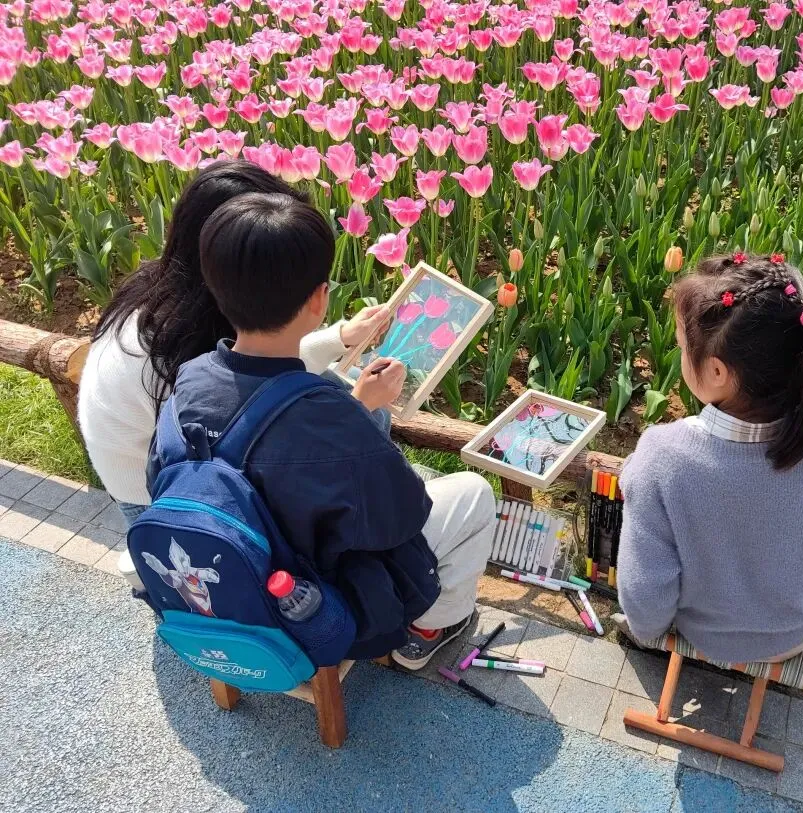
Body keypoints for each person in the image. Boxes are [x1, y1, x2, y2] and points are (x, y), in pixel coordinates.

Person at [147, 191, 494, 668]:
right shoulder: (328, 416)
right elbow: (402, 515)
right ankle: (430, 628)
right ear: (318, 298)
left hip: (235, 576)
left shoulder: (192, 377)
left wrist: (353, 410)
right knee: (474, 493)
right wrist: (362, 413)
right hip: (314, 602)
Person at [78, 160, 391, 526]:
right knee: (365, 415)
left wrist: (340, 338)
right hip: (162, 498)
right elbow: (246, 461)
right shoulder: (174, 350)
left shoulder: (176, 292)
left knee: (343, 391)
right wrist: (357, 411)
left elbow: (254, 363)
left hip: (171, 457)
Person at [615, 253, 803, 664]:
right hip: (796, 636)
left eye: (682, 347)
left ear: (718, 372)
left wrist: (647, 632)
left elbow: (645, 598)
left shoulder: (661, 459)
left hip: (705, 636)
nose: (680, 354)